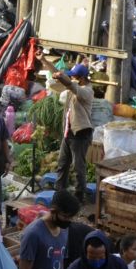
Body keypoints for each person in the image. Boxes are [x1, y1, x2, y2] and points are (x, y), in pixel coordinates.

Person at [54, 63, 94, 202]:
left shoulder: (86, 91)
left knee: (78, 168)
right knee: (62, 163)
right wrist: (45, 61)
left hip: (80, 134)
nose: (72, 78)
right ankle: (59, 192)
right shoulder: (73, 87)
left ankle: (79, 196)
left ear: (82, 78)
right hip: (68, 132)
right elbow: (62, 78)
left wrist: (62, 77)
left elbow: (69, 83)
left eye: (74, 77)